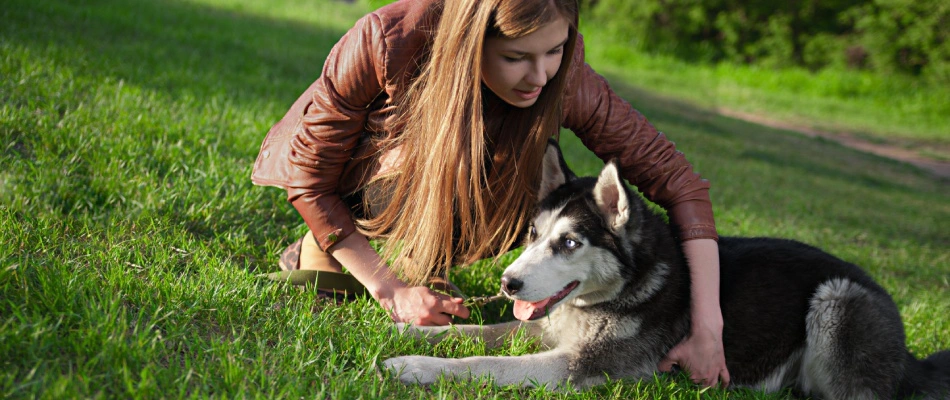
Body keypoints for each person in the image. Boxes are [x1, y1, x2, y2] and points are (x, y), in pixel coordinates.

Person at [251, 0, 729, 388]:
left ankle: (421, 262)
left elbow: (680, 185)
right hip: (367, 186)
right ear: (472, 42)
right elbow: (311, 175)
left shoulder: (563, 76)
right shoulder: (386, 39)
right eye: (516, 57)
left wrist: (708, 327)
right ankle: (337, 250)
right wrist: (392, 292)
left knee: (543, 177)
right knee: (402, 185)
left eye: (555, 51)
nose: (540, 76)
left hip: (454, 199)